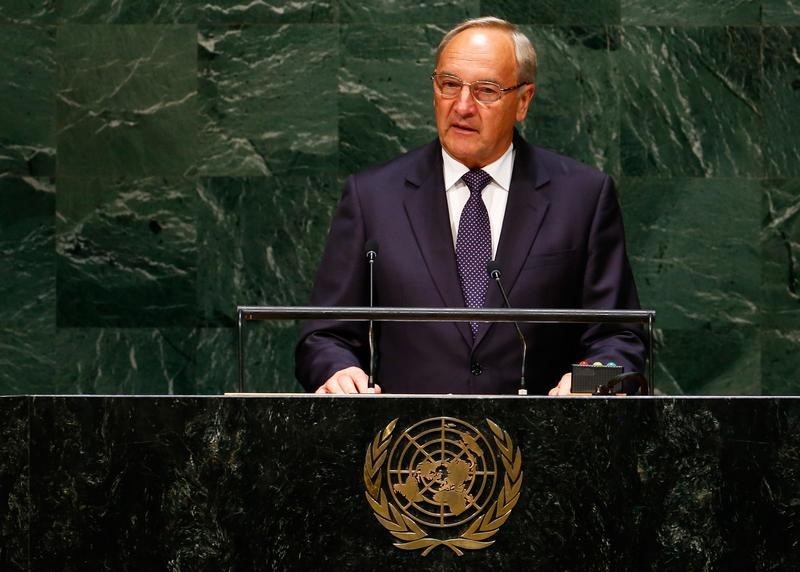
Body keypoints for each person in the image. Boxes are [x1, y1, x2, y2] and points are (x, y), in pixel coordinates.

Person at [295, 17, 646, 395]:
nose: (462, 106)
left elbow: (622, 340)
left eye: (486, 91)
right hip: (410, 446)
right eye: (449, 85)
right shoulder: (372, 197)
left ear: (523, 101)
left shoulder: (583, 197)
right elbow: (323, 337)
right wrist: (338, 371)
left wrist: (588, 381)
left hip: (543, 443)